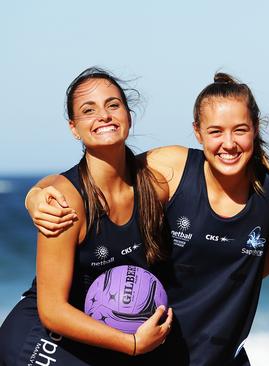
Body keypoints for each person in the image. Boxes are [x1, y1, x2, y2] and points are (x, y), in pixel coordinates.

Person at [23, 72, 269, 365]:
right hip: (154, 351)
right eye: (215, 131)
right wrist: (36, 193)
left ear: (255, 128)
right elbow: (94, 179)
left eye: (240, 129)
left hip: (226, 356)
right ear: (198, 132)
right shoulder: (172, 169)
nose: (228, 143)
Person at [0, 68, 173, 365]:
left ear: (128, 116)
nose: (103, 115)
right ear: (73, 128)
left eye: (113, 105)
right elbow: (52, 310)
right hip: (43, 340)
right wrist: (131, 344)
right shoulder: (65, 201)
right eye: (88, 110)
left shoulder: (153, 186)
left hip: (96, 339)